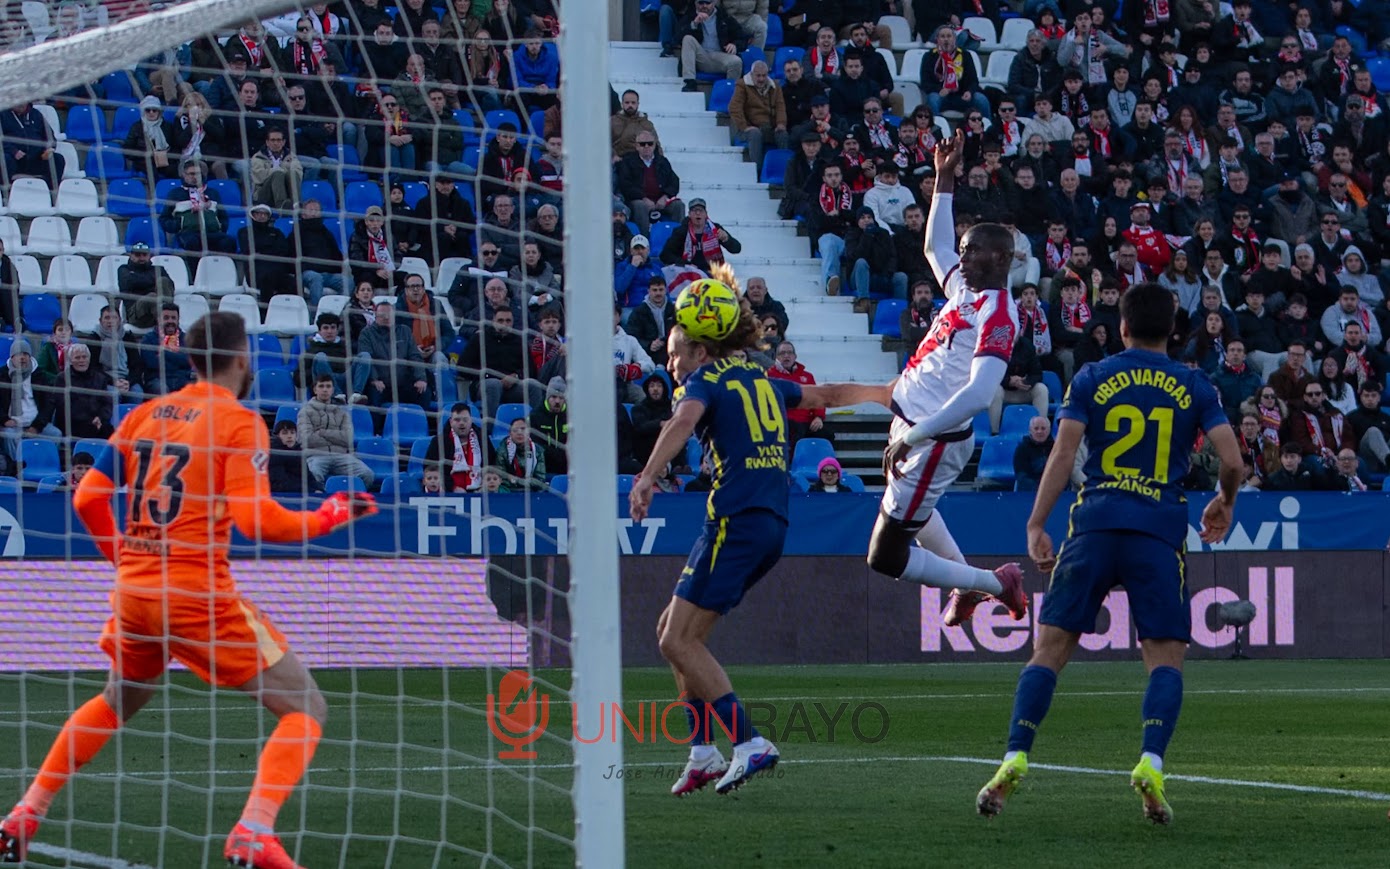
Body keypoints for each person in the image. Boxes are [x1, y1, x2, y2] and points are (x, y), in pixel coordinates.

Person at [0, 312, 378, 868]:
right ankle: (254, 830)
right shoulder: (239, 422)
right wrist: (330, 514)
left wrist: (126, 560)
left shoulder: (144, 413)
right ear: (243, 359)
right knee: (306, 707)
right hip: (197, 594)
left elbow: (86, 498)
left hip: (135, 593)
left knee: (116, 701)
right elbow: (259, 522)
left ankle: (24, 814)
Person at [976, 282, 1240, 824]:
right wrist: (1225, 500)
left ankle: (1014, 756)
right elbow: (1233, 462)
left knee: (1048, 652)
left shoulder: (1093, 376)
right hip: (1157, 534)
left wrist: (1035, 523)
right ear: (1173, 330)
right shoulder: (1195, 384)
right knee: (1165, 661)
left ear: (1122, 328)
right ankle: (1150, 762)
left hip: (1093, 525)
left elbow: (1063, 451)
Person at [627, 263, 884, 797]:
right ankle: (703, 752)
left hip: (735, 520)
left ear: (701, 350)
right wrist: (883, 392)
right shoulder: (762, 379)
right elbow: (824, 395)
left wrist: (647, 477)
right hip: (768, 521)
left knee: (677, 639)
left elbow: (680, 423)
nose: (669, 363)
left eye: (675, 352)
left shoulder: (704, 382)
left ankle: (748, 742)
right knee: (673, 632)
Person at [870, 136, 1028, 625]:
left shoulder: (999, 313)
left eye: (970, 250)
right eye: (962, 250)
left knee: (885, 556)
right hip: (913, 422)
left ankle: (993, 583)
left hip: (934, 439)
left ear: (998, 258)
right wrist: (944, 178)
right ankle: (967, 584)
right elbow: (934, 246)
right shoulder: (964, 287)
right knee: (910, 516)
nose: (960, 256)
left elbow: (980, 393)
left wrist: (915, 436)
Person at [298, 374, 376, 489]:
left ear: (333, 390)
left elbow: (348, 439)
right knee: (312, 475)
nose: (325, 389)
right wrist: (336, 438)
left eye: (328, 386)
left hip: (341, 456)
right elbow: (306, 439)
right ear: (315, 390)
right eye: (321, 386)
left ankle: (353, 498)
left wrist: (322, 432)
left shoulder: (342, 413)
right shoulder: (305, 412)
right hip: (316, 455)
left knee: (367, 474)